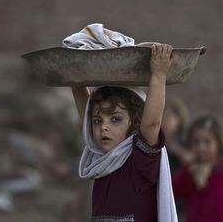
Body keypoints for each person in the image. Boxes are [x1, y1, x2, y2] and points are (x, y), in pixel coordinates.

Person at [72, 43, 178, 222]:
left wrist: (158, 75)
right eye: (98, 121)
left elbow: (151, 124)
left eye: (115, 119)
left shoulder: (139, 160)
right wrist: (75, 81)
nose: (103, 127)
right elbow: (86, 116)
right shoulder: (100, 159)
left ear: (134, 122)